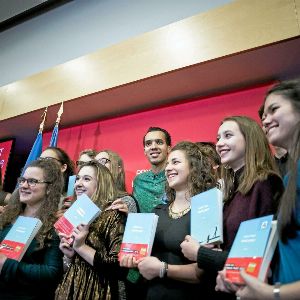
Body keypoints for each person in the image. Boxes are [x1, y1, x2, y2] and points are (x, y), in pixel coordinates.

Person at [180, 116, 283, 299]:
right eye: (218, 138)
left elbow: (256, 260)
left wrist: (200, 253)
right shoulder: (232, 192)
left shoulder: (265, 183)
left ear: (250, 139)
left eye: (228, 135)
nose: (219, 143)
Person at [216, 79, 300, 299]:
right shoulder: (290, 176)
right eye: (263, 114)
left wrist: (271, 292)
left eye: (274, 109)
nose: (265, 119)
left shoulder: (266, 182)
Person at [121, 141, 217, 299]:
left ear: (194, 166)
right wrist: (133, 261)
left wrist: (163, 269)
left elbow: (204, 271)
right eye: (168, 164)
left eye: (176, 162)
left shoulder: (206, 209)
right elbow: (140, 262)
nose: (168, 168)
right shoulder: (157, 212)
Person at [55, 160, 127, 300]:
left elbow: (118, 268)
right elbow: (68, 267)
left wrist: (81, 247)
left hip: (98, 291)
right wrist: (68, 256)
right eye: (78, 179)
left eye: (86, 179)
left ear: (101, 184)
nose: (78, 184)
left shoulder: (113, 214)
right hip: (68, 289)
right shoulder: (72, 215)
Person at [0, 159, 64, 299]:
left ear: (50, 188)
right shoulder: (7, 216)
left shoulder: (54, 226)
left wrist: (6, 264)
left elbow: (52, 272)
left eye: (32, 181)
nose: (23, 185)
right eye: (22, 180)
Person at [133, 127, 172, 213]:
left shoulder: (175, 177)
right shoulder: (139, 181)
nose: (153, 147)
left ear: (169, 148)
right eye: (148, 144)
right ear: (144, 151)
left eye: (159, 142)